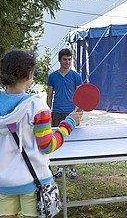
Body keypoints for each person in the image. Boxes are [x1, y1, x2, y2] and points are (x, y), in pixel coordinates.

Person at [0, 49, 82, 217]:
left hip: (3, 181)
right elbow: (47, 145)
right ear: (29, 75)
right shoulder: (37, 108)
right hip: (33, 181)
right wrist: (69, 124)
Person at [47, 48, 83, 179]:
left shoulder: (76, 76)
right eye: (65, 59)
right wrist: (48, 112)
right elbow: (49, 95)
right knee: (58, 139)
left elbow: (80, 95)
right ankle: (60, 167)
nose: (67, 62)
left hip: (71, 113)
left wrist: (78, 111)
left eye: (69, 59)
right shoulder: (52, 76)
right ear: (60, 60)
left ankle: (72, 167)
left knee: (73, 141)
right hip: (57, 112)